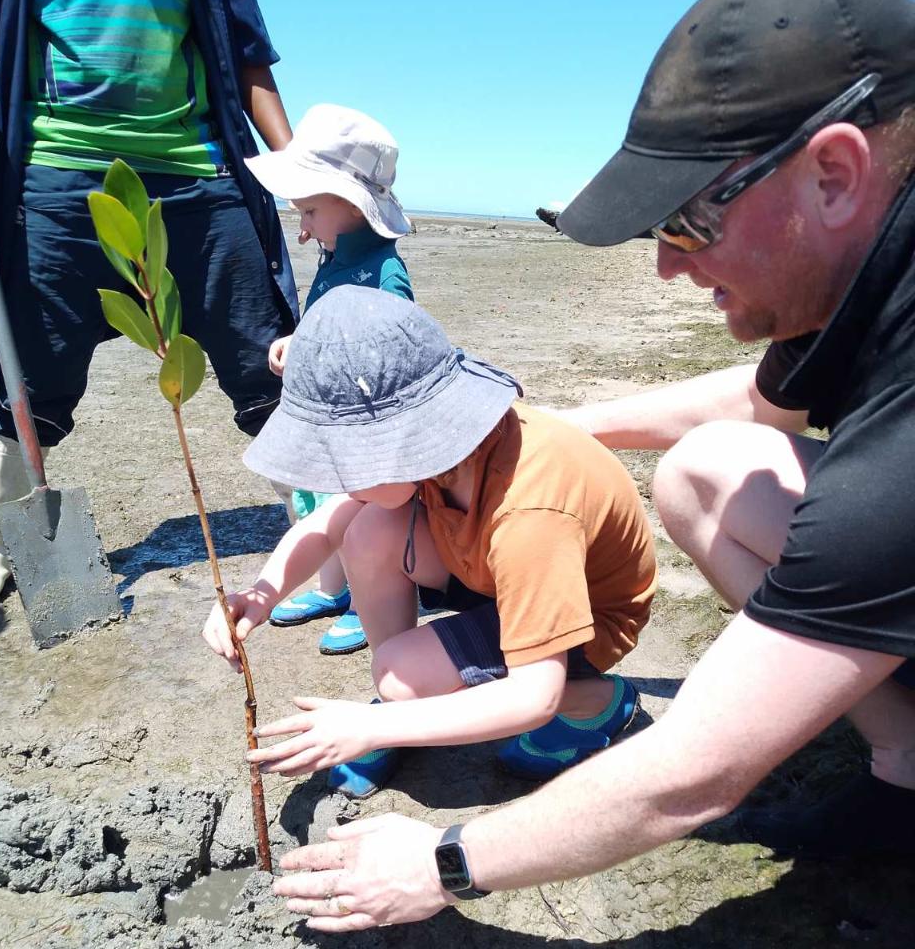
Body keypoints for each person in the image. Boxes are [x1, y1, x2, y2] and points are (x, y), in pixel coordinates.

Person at [265, 0, 915, 949]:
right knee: (709, 471)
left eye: (691, 218)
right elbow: (752, 403)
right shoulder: (869, 272)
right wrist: (557, 421)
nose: (665, 268)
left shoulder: (894, 471)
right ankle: (906, 765)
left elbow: (695, 771)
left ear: (834, 170)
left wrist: (447, 862)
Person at [0, 0, 298, 612]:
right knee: (25, 365)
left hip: (196, 173)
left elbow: (243, 44)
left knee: (265, 353)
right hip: (51, 173)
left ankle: (318, 520)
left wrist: (296, 164)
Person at [203, 285, 655, 798]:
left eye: (346, 461)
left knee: (401, 675)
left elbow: (535, 695)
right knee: (368, 528)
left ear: (403, 439)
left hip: (586, 615)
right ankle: (410, 702)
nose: (341, 483)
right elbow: (326, 526)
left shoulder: (529, 509)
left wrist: (371, 728)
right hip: (494, 571)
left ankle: (598, 701)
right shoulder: (448, 453)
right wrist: (259, 596)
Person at [246, 104, 413, 657]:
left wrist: (312, 348)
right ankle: (331, 589)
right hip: (322, 411)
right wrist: (298, 344)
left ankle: (371, 605)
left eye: (310, 210)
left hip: (362, 419)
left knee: (355, 511)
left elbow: (389, 346)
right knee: (313, 500)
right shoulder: (332, 254)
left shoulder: (384, 271)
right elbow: (322, 321)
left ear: (352, 205)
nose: (303, 225)